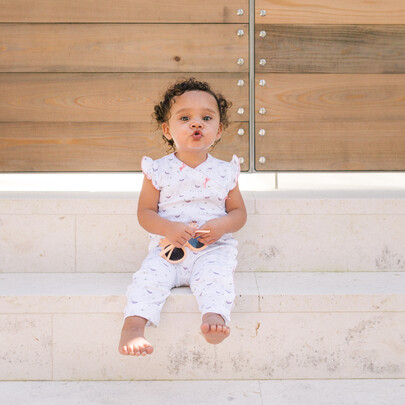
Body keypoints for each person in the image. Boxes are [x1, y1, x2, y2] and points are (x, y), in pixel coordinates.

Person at [118, 77, 247, 356]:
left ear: (219, 130)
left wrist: (222, 225)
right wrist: (169, 228)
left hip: (211, 250)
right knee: (148, 279)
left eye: (206, 117)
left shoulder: (226, 171)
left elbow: (238, 213)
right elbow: (145, 212)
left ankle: (214, 317)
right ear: (167, 129)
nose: (196, 123)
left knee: (218, 279)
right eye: (185, 117)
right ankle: (133, 326)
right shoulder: (158, 170)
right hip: (169, 250)